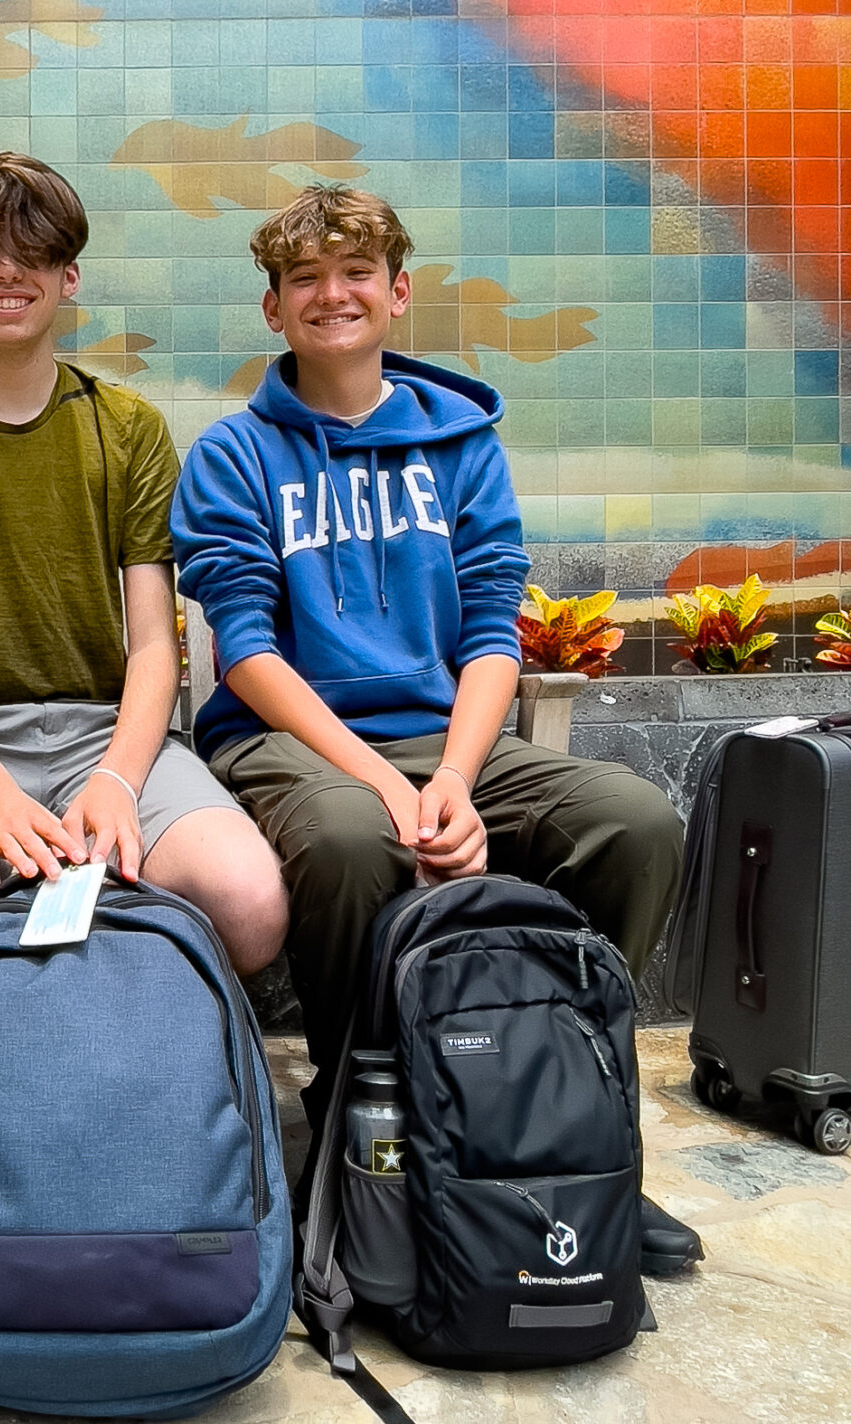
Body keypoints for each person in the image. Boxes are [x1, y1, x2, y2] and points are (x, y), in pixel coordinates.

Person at [170, 183, 701, 1274]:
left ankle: (568, 1119)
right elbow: (246, 648)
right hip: (294, 744)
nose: (332, 294)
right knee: (347, 836)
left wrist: (453, 777)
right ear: (273, 310)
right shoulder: (233, 455)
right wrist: (387, 785)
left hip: (450, 741)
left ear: (397, 292)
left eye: (354, 272)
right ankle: (354, 1125)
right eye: (304, 279)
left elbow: (491, 628)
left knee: (633, 821)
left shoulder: (461, 444)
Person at [0, 151, 286, 1012]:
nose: (7, 268)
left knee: (250, 904)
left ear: (68, 276)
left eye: (32, 249)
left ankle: (114, 1048)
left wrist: (117, 779)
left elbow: (155, 642)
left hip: (106, 732)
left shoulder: (128, 428)